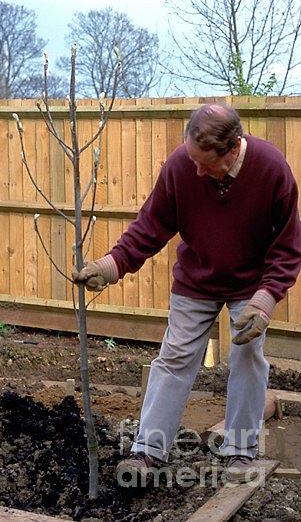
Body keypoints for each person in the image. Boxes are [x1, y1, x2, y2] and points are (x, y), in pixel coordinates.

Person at [73, 104, 301, 484]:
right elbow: (151, 225)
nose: (195, 170)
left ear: (232, 149)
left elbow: (288, 245)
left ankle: (241, 453)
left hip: (252, 284)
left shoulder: (271, 169)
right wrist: (110, 265)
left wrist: (266, 300)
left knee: (247, 355)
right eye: (191, 159)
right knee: (174, 355)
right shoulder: (182, 164)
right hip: (197, 279)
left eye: (204, 163)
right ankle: (148, 450)